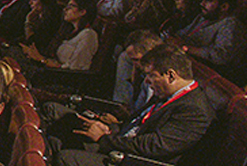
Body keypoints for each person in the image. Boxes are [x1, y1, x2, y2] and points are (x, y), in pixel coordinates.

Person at [55, 47, 214, 166]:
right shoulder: (169, 93)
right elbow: (137, 124)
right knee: (60, 135)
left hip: (136, 160)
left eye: (151, 76)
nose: (146, 82)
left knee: (64, 158)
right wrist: (111, 130)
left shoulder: (195, 109)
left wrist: (104, 139)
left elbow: (155, 145)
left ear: (171, 76)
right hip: (123, 145)